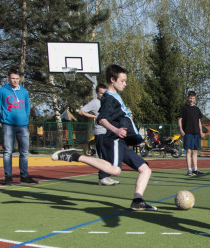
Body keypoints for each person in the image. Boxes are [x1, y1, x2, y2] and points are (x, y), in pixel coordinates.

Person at [50, 64, 158, 211]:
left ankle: (137, 201)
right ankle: (74, 156)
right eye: (123, 81)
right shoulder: (108, 98)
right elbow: (101, 118)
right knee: (115, 170)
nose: (125, 84)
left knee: (145, 169)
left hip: (121, 141)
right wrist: (116, 130)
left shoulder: (115, 96)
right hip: (113, 138)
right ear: (112, 79)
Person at [0, 68, 37, 186]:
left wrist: (25, 117)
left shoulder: (24, 92)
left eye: (17, 78)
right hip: (8, 125)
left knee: (24, 152)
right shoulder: (2, 91)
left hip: (22, 126)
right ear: (8, 78)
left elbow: (27, 106)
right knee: (7, 151)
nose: (15, 81)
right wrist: (0, 118)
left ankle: (24, 176)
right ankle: (8, 177)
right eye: (13, 78)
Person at [78, 83, 119, 186]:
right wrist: (93, 116)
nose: (103, 95)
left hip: (109, 132)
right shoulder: (94, 102)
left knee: (109, 156)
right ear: (97, 93)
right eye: (101, 93)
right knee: (102, 156)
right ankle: (102, 177)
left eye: (105, 93)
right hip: (100, 133)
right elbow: (81, 111)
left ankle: (107, 176)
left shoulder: (108, 102)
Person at [177, 91, 205, 177]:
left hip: (196, 132)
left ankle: (195, 169)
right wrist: (181, 129)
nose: (191, 100)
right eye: (190, 98)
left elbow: (199, 121)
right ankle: (189, 170)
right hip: (188, 132)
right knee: (188, 151)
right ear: (188, 98)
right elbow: (179, 119)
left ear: (195, 99)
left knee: (195, 151)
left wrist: (201, 131)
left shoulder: (197, 109)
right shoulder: (184, 108)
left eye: (193, 98)